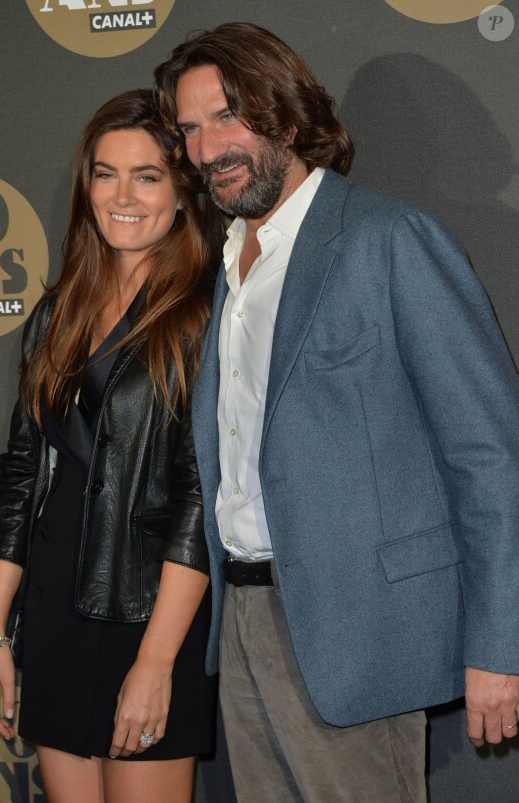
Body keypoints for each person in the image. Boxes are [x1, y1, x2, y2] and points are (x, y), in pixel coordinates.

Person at [154, 22, 519, 802]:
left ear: (287, 116)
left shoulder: (389, 240)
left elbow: (489, 455)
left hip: (359, 626)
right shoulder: (227, 265)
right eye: (188, 128)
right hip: (245, 620)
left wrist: (500, 643)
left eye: (227, 116)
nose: (206, 146)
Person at [0, 89, 225, 803]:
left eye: (147, 175)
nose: (123, 195)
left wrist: (155, 663)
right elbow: (22, 474)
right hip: (54, 613)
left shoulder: (205, 315)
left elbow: (197, 503)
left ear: (181, 192)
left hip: (151, 616)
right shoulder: (58, 311)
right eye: (105, 172)